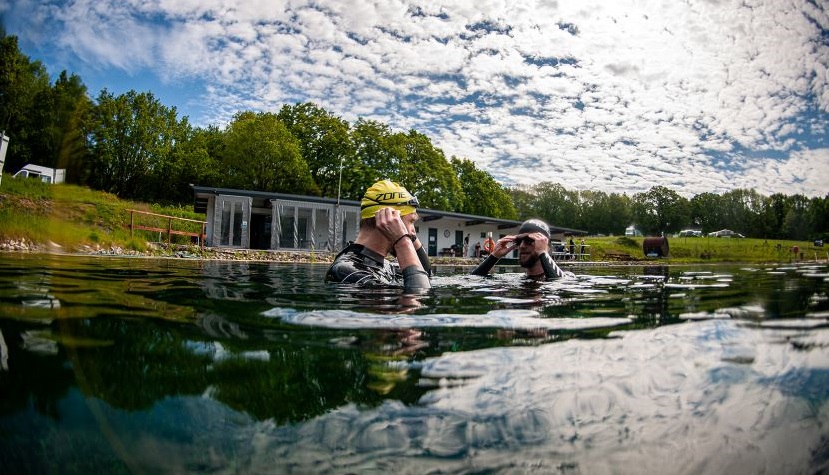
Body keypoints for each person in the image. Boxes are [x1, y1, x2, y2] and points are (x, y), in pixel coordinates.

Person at [326, 180, 431, 289]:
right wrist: (403, 241)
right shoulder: (347, 271)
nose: (414, 232)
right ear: (390, 221)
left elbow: (426, 274)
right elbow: (420, 295)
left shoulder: (384, 265)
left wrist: (409, 237)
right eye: (411, 221)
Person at [471, 219, 570, 279]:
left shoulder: (567, 276)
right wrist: (494, 256)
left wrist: (542, 253)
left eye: (529, 240)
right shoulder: (515, 278)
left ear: (545, 245)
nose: (522, 246)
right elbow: (472, 280)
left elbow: (558, 284)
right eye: (519, 241)